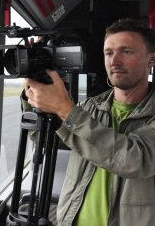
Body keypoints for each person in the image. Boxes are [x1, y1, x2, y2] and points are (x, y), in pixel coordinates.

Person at [22, 18, 155, 226]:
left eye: (126, 51)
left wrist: (64, 108)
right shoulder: (90, 108)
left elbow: (134, 159)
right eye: (109, 53)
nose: (114, 61)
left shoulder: (78, 113)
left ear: (151, 59)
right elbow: (42, 137)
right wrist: (35, 95)